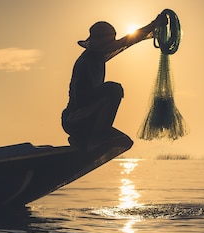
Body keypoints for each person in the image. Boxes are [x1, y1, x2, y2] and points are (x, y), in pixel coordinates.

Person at [62, 12, 167, 149]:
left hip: (89, 120)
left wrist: (154, 26)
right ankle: (90, 138)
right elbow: (80, 100)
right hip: (74, 119)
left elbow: (129, 41)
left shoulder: (99, 56)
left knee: (124, 142)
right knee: (114, 90)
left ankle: (84, 139)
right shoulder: (86, 61)